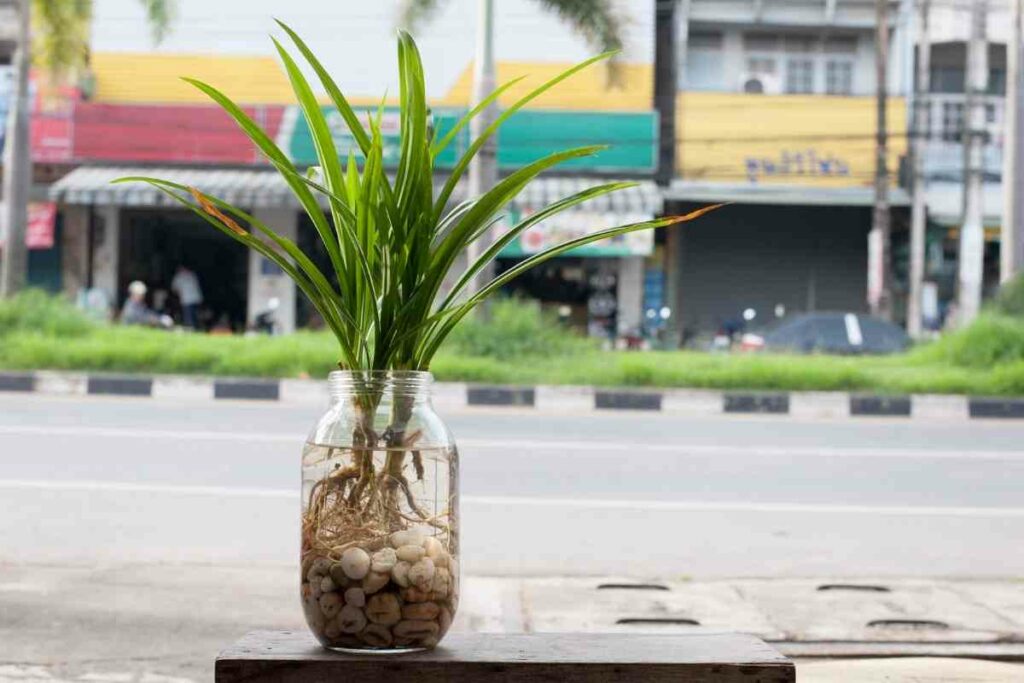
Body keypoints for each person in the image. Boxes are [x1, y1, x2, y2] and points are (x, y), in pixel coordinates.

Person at [171, 264, 204, 330]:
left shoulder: (179, 276)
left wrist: (179, 295)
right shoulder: (192, 274)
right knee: (196, 316)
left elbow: (174, 289)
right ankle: (198, 328)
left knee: (189, 317)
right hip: (196, 298)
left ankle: (190, 329)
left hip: (187, 299)